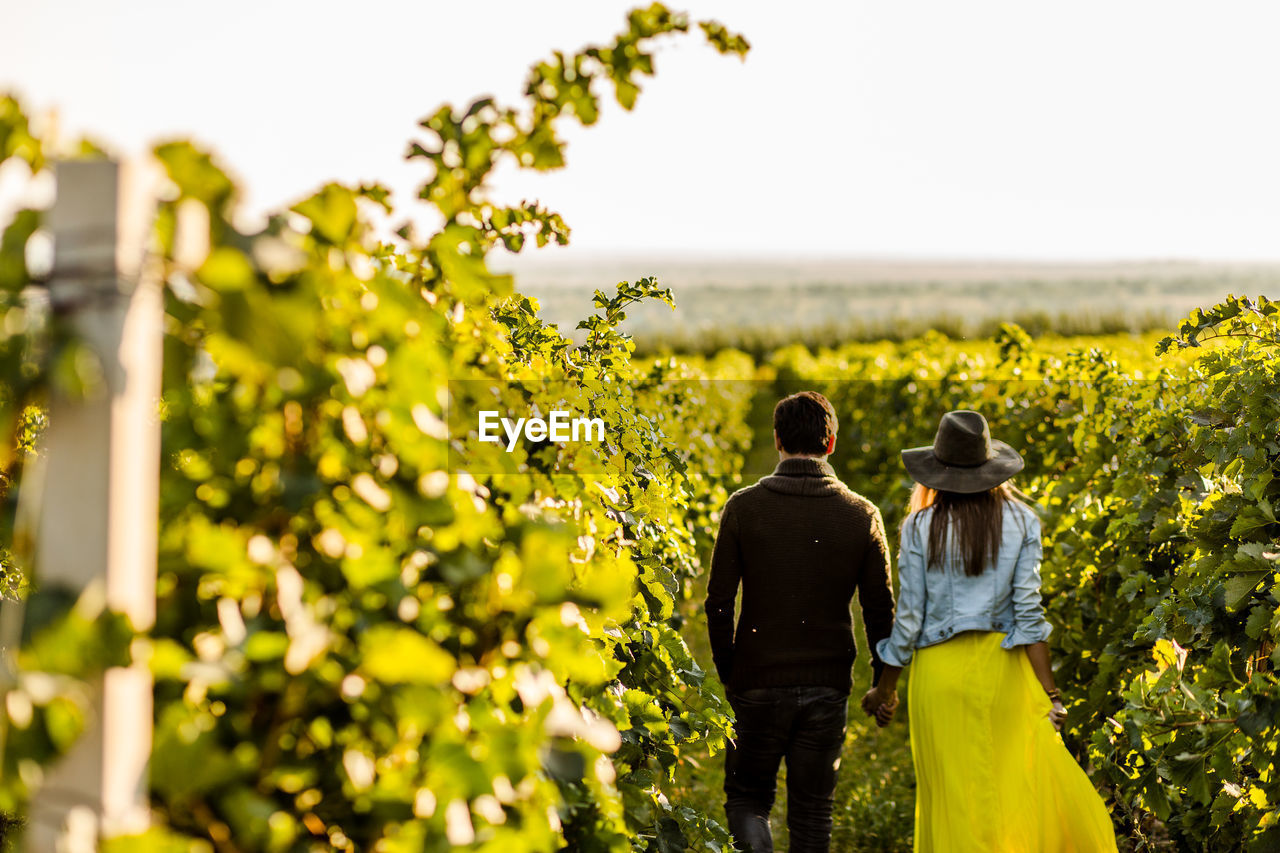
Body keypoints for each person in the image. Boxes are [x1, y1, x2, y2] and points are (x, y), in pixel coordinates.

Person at [860, 410, 1118, 852]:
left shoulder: (920, 526)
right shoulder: (1022, 521)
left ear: (937, 472)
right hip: (1006, 672)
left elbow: (909, 620)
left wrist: (885, 690)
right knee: (1014, 794)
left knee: (955, 801)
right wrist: (1051, 694)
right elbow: (1029, 615)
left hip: (940, 678)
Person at [705, 391, 897, 853]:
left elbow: (718, 602)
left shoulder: (743, 507)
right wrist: (881, 684)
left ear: (776, 440)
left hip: (756, 680)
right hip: (827, 686)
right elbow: (880, 609)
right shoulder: (861, 514)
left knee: (748, 800)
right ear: (831, 443)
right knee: (813, 812)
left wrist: (732, 672)